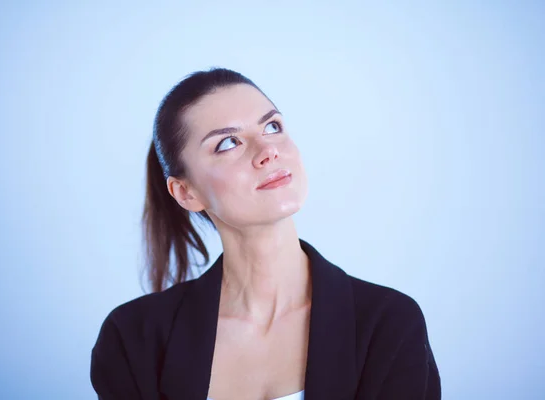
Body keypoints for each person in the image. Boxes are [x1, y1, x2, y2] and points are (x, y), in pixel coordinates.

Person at [90, 68, 441, 400]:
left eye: (272, 126)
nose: (268, 150)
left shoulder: (390, 324)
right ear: (186, 193)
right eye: (228, 143)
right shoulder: (132, 339)